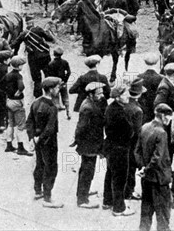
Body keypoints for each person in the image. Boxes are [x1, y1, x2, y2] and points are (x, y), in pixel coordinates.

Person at [26, 77, 64, 208]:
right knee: (51, 167)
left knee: (39, 164)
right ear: (52, 89)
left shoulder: (35, 102)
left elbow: (29, 121)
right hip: (49, 141)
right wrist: (40, 138)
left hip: (37, 140)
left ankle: (38, 190)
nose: (59, 90)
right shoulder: (52, 107)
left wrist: (32, 138)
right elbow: (50, 128)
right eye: (58, 88)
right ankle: (47, 198)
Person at [135, 103, 174, 231]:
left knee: (146, 211)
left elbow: (137, 151)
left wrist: (142, 168)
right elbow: (157, 157)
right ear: (162, 116)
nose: (170, 120)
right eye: (168, 117)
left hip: (146, 179)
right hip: (159, 179)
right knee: (163, 213)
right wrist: (146, 169)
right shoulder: (161, 133)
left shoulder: (145, 127)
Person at [103, 84, 137, 217]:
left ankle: (108, 200)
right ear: (117, 97)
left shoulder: (110, 108)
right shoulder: (120, 112)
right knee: (120, 178)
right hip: (120, 148)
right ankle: (119, 208)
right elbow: (130, 132)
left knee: (110, 173)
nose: (128, 95)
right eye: (125, 94)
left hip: (111, 146)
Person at [75, 81, 107, 209]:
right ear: (91, 94)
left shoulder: (93, 103)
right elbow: (81, 127)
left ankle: (83, 192)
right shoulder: (87, 107)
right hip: (88, 144)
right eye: (98, 93)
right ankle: (82, 200)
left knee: (88, 169)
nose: (102, 95)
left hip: (92, 142)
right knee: (87, 170)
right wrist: (77, 141)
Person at [0, 56, 33, 156]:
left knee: (10, 124)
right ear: (18, 66)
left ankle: (9, 145)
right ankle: (20, 147)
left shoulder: (8, 75)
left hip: (9, 100)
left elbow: (0, 85)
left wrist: (8, 93)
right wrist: (18, 92)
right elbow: (22, 86)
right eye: (22, 65)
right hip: (17, 102)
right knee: (21, 126)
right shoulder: (18, 76)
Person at [13, 17, 55, 98]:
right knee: (48, 76)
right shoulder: (39, 30)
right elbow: (50, 39)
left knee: (36, 80)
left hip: (33, 59)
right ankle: (49, 95)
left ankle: (38, 97)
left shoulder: (24, 34)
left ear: (26, 23)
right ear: (32, 22)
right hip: (45, 56)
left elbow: (15, 44)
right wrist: (46, 31)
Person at [44, 47, 72, 119]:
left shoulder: (50, 64)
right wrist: (65, 80)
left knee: (55, 99)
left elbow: (48, 75)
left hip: (54, 84)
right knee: (65, 97)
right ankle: (68, 112)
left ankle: (55, 116)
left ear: (54, 54)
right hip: (62, 83)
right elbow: (69, 72)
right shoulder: (65, 62)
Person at [137, 53, 164, 123]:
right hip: (155, 108)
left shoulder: (139, 77)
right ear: (157, 63)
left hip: (143, 108)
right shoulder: (160, 78)